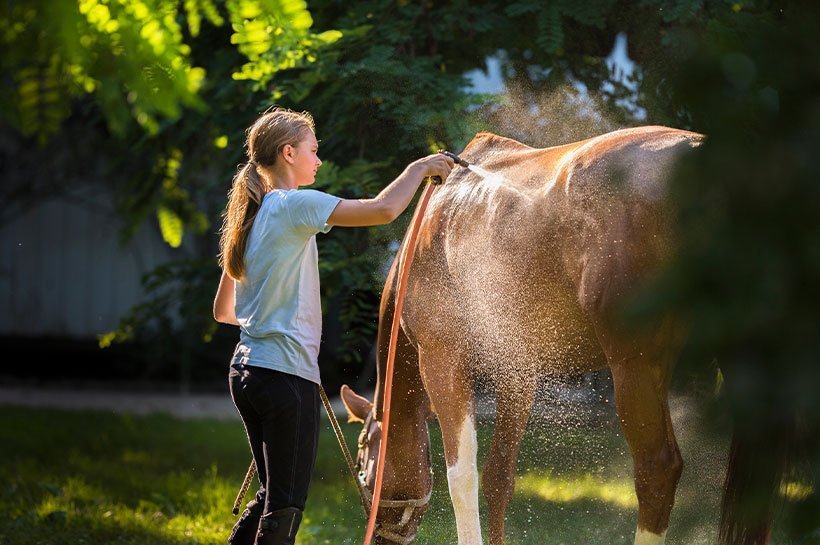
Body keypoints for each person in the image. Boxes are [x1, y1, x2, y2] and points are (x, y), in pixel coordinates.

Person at [212, 106, 453, 545]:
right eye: (312, 150)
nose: (318, 161)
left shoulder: (249, 218)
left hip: (245, 372)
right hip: (285, 379)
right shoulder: (294, 205)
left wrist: (273, 315)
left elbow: (223, 311)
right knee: (284, 508)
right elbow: (382, 210)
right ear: (288, 153)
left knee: (271, 495)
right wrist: (421, 168)